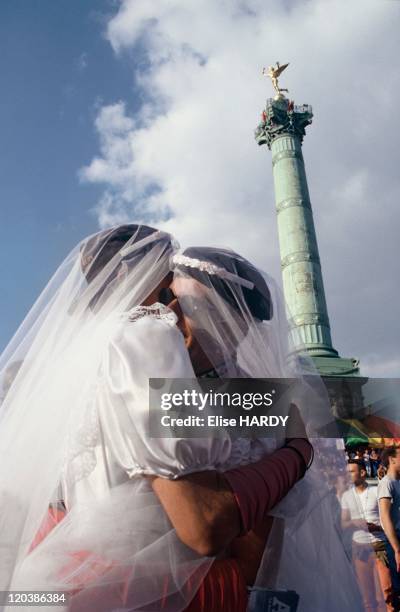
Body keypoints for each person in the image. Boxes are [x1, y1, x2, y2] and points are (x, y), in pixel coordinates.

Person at [0, 228, 362, 611]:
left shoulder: (256, 400)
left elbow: (259, 556)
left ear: (241, 325)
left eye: (188, 304)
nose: (170, 315)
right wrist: (298, 453)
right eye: (166, 298)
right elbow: (202, 523)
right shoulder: (143, 346)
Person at [341, 460, 391, 610]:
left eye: (351, 471)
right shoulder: (346, 496)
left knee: (386, 595)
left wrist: (375, 527)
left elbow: (389, 518)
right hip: (360, 550)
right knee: (366, 599)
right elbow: (343, 524)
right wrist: (355, 523)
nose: (347, 475)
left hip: (379, 548)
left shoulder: (377, 491)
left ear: (362, 473)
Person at [378, 448, 400, 610]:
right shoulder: (386, 483)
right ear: (392, 460)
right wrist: (397, 549)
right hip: (396, 539)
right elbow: (385, 518)